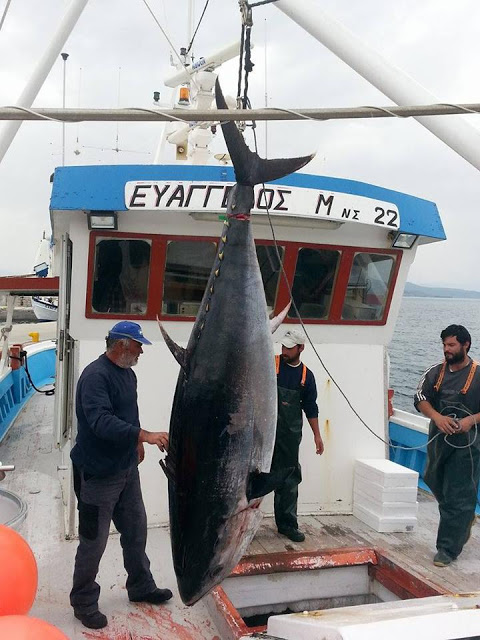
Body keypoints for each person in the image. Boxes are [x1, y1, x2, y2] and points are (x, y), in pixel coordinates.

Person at [70, 321, 172, 630]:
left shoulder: (128, 374)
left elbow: (128, 414)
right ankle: (84, 602)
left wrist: (135, 443)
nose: (142, 349)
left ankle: (140, 586)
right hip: (97, 475)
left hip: (126, 471)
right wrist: (144, 435)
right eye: (138, 344)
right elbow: (101, 422)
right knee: (94, 542)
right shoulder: (95, 377)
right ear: (122, 345)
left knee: (136, 530)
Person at [415, 324, 480, 568]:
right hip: (439, 442)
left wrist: (469, 421)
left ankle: (447, 549)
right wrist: (438, 418)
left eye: (451, 345)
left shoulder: (478, 373)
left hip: (467, 447)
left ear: (466, 345)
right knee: (433, 479)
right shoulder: (435, 372)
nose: (447, 350)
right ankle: (463, 520)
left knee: (458, 494)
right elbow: (420, 398)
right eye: (444, 345)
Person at [271, 329, 324, 542]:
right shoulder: (270, 363)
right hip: (262, 432)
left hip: (288, 437)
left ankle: (287, 524)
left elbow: (311, 407)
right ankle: (237, 524)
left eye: (289, 347)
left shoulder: (306, 377)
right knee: (250, 476)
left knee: (289, 478)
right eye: (283, 346)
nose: (284, 351)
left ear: (301, 348)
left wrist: (317, 436)